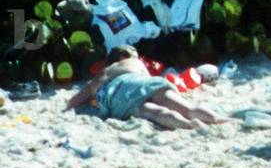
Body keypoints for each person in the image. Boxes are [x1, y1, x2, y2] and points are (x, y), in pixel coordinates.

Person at [65, 45, 227, 130]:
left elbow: (82, 95)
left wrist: (72, 106)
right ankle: (219, 120)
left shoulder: (107, 72)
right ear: (122, 56)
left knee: (156, 112)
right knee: (188, 108)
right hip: (150, 82)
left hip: (122, 90)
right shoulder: (136, 63)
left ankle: (189, 126)